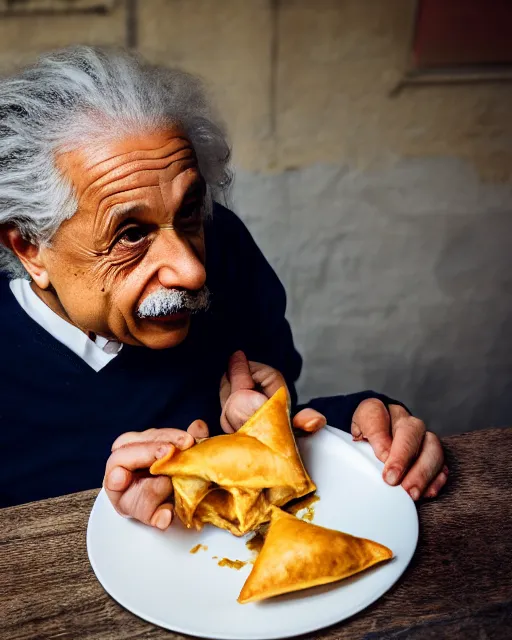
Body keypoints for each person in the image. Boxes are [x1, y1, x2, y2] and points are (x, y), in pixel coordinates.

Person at [0, 46, 447, 522]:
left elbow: (274, 421)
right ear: (30, 247)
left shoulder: (225, 245)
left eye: (188, 212)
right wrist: (116, 499)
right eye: (131, 234)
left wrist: (358, 421)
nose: (192, 271)